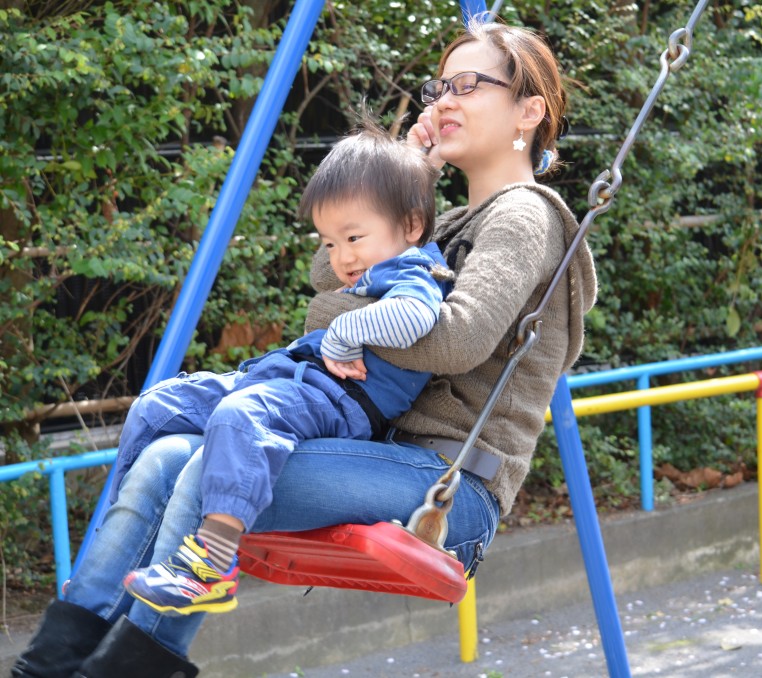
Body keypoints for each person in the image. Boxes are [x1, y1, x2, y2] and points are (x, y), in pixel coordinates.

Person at [12, 18, 597, 678]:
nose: (444, 101)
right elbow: (330, 273)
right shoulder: (446, 221)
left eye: (468, 84)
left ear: (528, 110)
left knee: (203, 465)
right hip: (380, 457)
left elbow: (456, 338)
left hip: (446, 486)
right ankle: (52, 664)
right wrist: (410, 173)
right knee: (162, 457)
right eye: (439, 87)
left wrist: (339, 320)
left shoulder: (525, 213)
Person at [114, 123, 452, 617]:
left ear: (413, 225)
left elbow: (415, 318)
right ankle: (125, 552)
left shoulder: (413, 269)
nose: (341, 258)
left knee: (241, 415)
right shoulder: (375, 262)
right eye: (330, 243)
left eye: (353, 237)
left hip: (340, 400)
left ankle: (210, 567)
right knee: (157, 405)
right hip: (289, 379)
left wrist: (341, 334)